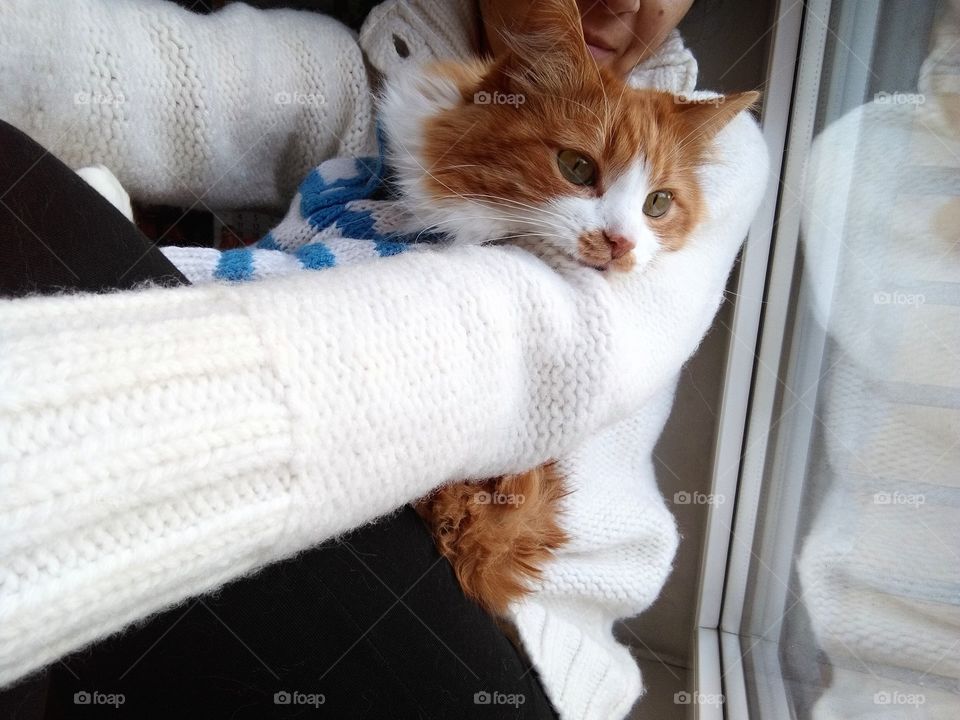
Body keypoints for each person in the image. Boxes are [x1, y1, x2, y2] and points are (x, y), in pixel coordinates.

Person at [0, 1, 767, 718]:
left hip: (496, 636)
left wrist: (100, 418)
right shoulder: (361, 71)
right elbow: (115, 67)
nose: (627, 2)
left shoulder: (717, 147)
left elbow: (524, 342)